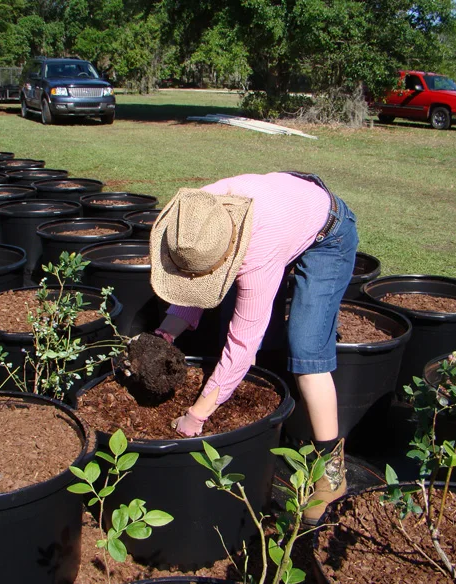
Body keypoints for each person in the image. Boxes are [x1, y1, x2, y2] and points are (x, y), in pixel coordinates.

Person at [149, 172, 358, 526]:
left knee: (307, 351)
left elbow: (243, 344)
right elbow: (195, 280)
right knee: (253, 333)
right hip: (286, 209)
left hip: (328, 231)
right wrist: (162, 338)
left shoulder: (258, 255)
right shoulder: (194, 215)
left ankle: (331, 474)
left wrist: (196, 416)